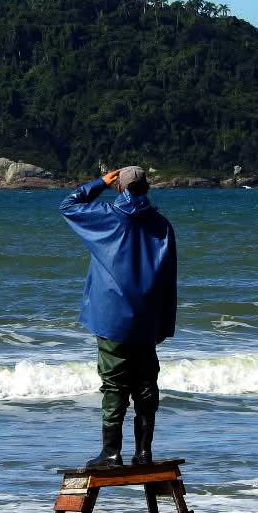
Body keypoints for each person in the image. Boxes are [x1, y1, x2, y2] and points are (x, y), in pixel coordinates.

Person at [60, 166, 177, 469]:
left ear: (120, 188)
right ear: (147, 188)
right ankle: (144, 453)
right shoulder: (162, 225)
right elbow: (169, 280)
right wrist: (166, 324)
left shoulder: (106, 215)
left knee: (114, 385)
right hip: (147, 318)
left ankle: (111, 453)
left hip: (111, 316)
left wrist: (99, 183)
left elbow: (68, 205)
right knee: (146, 385)